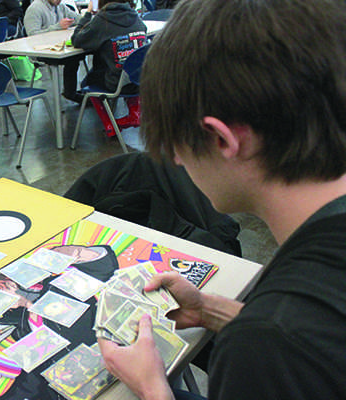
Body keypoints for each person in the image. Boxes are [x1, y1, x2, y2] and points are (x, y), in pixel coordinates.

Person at [97, 0, 346, 399]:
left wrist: (151, 387)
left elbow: (291, 343)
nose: (176, 160)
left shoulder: (264, 350)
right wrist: (209, 310)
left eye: (175, 146)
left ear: (221, 139)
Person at [71, 0, 146, 136]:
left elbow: (77, 40)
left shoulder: (102, 20)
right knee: (122, 64)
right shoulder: (136, 17)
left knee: (88, 82)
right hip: (139, 81)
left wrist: (87, 14)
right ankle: (135, 112)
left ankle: (109, 124)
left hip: (115, 83)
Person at [24, 0, 84, 103]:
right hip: (41, 51)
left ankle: (75, 92)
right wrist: (57, 27)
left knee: (80, 54)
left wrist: (90, 18)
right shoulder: (35, 9)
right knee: (73, 58)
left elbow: (77, 18)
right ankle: (70, 93)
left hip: (57, 48)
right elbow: (32, 36)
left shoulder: (60, 6)